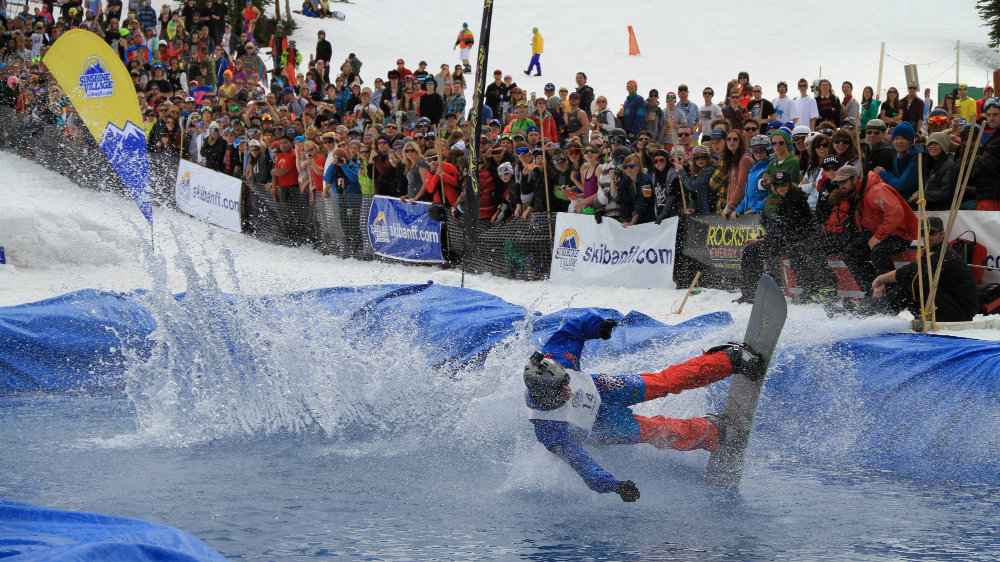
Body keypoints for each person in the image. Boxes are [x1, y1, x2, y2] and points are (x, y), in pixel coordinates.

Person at [523, 311, 765, 501]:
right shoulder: (550, 430)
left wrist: (597, 326)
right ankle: (715, 432)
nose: (567, 388)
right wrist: (613, 485)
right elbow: (582, 464)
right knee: (660, 431)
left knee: (665, 381)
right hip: (603, 426)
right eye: (561, 391)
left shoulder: (556, 359)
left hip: (604, 389)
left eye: (565, 381)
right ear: (545, 397)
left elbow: (573, 330)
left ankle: (729, 359)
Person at [849, 217, 978, 322]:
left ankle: (873, 310)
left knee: (915, 283)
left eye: (931, 232)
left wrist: (881, 278)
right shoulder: (932, 251)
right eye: (923, 233)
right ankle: (874, 309)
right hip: (948, 304)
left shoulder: (944, 254)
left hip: (959, 313)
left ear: (942, 234)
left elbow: (913, 270)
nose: (926, 237)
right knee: (914, 281)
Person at [836, 165, 918, 294]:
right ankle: (872, 293)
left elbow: (895, 214)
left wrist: (878, 237)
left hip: (900, 233)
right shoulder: (858, 193)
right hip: (880, 232)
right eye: (838, 183)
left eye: (843, 181)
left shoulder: (877, 190)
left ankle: (892, 295)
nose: (841, 186)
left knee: (878, 251)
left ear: (855, 179)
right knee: (850, 254)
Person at [967, 97, 1000, 210]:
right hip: (987, 195)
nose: (991, 118)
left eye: (995, 114)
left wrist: (975, 158)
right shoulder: (994, 137)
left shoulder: (998, 139)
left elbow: (983, 166)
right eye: (989, 114)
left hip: (993, 197)